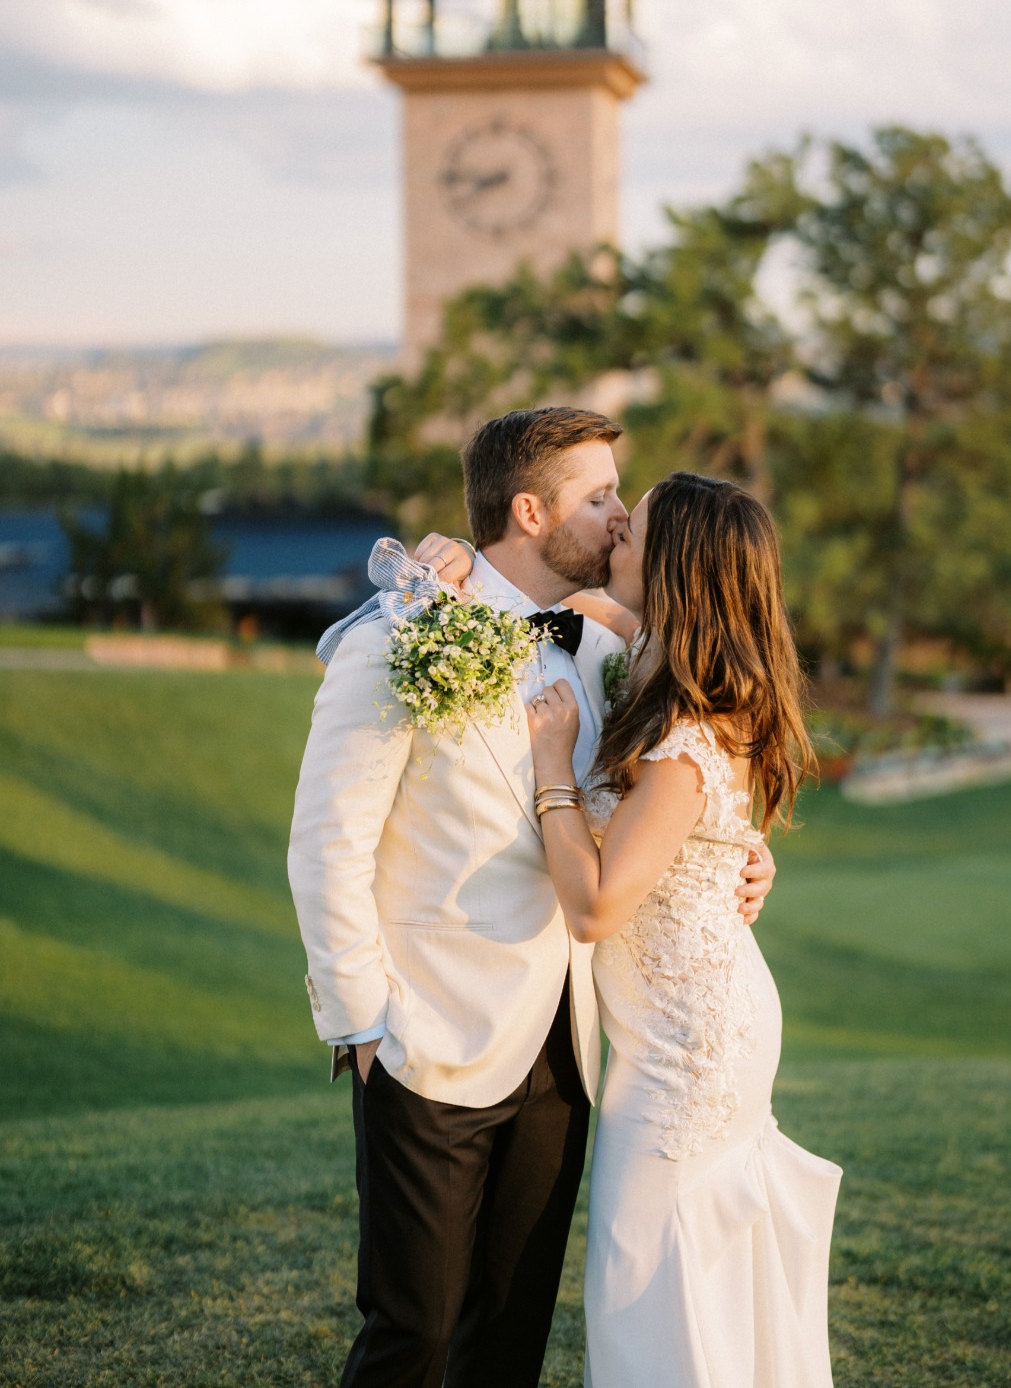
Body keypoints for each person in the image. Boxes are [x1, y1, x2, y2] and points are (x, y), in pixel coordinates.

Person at [286, 409, 775, 1388]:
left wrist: (740, 856)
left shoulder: (606, 655)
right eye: (600, 498)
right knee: (411, 1335)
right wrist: (363, 1029)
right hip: (429, 1040)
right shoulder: (405, 636)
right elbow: (325, 843)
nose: (617, 517)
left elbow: (666, 799)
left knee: (506, 1339)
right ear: (530, 510)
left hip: (569, 1052)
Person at [525, 471, 842, 1388]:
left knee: (644, 1280)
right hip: (698, 1015)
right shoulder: (660, 666)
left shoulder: (688, 730)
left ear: (676, 569)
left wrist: (552, 765)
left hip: (684, 1053)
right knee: (681, 1280)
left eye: (637, 529)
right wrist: (455, 559)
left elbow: (594, 907)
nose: (617, 530)